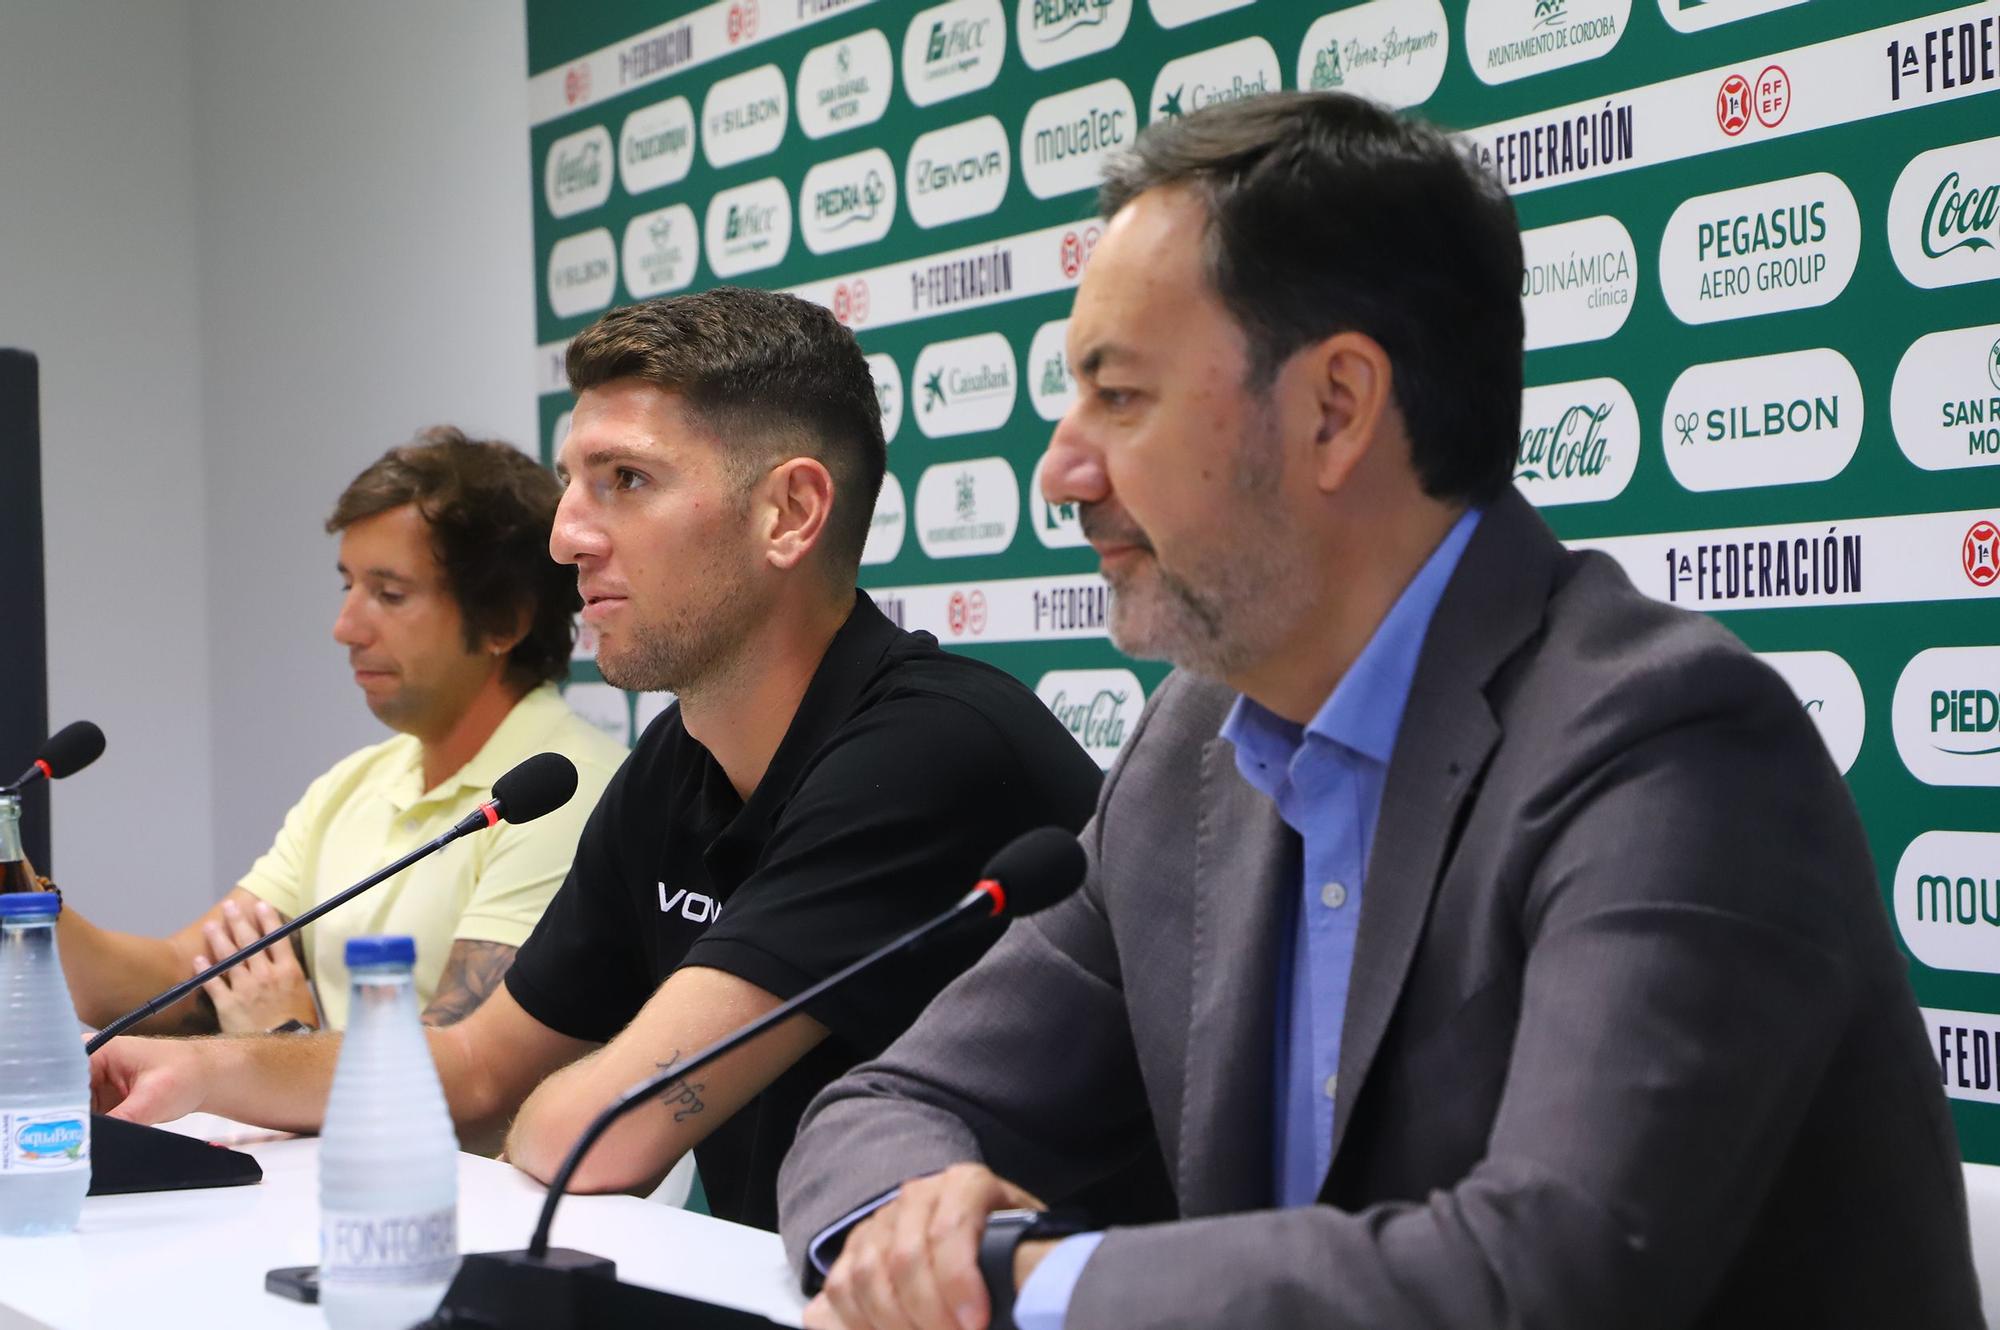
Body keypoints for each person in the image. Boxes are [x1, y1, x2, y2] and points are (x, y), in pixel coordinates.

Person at [776, 92, 1985, 1329]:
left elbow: (1545, 1279)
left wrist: (1024, 1279)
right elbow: (880, 1107)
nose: (1061, 469)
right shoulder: (1188, 754)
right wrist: (911, 1230)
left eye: (1119, 396)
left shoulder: (1668, 746)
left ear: (1335, 407)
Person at [87, 287, 1103, 1229]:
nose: (569, 535)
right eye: (573, 482)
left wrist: (548, 1105)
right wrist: (201, 1071)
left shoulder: (929, 752)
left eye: (625, 481)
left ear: (788, 514)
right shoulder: (678, 761)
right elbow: (480, 1070)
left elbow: (597, 1132)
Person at [41, 428, 624, 1035]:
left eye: (389, 594)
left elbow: (464, 1070)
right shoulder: (354, 785)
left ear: (503, 620)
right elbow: (175, 983)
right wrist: (20, 889)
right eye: (349, 586)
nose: (345, 627)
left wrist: (286, 1037)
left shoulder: (568, 793)